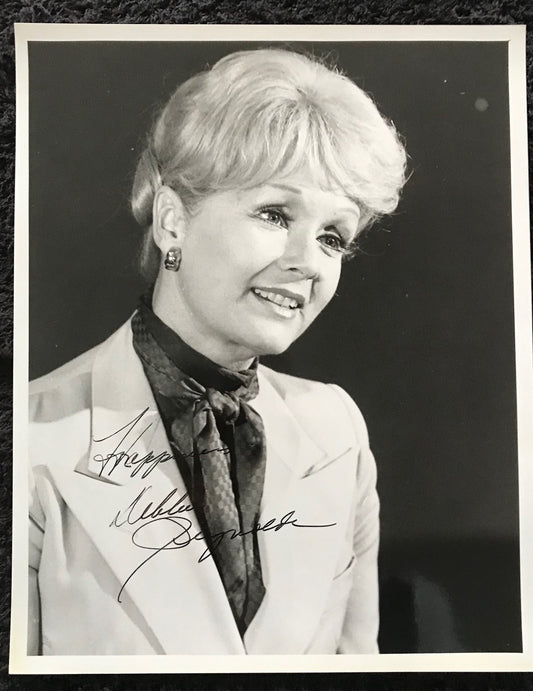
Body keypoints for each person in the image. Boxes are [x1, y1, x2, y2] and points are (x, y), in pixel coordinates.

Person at [28, 47, 407, 655]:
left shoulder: (337, 431)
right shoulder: (32, 436)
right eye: (274, 213)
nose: (307, 262)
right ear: (172, 221)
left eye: (333, 237)